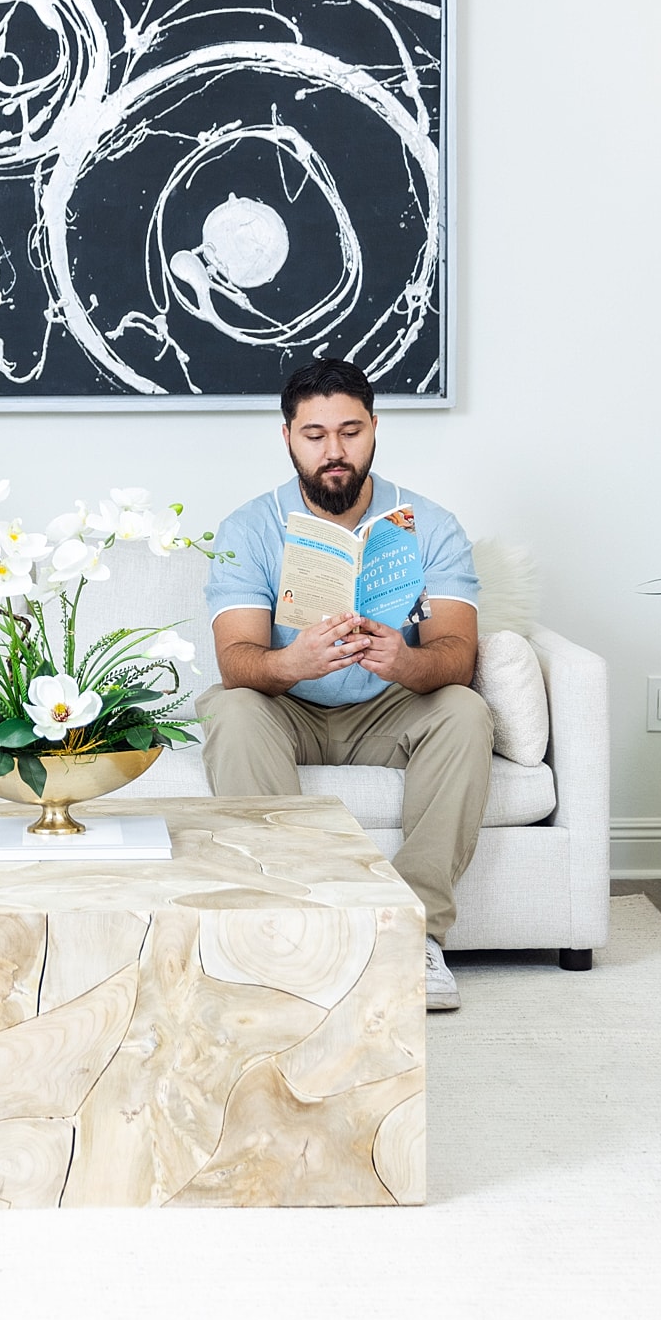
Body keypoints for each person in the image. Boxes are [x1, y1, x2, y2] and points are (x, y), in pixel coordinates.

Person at [199, 357, 494, 1011]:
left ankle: (412, 936)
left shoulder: (431, 525)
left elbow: (458, 655)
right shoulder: (249, 529)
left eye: (350, 431)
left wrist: (405, 661)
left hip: (388, 709)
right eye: (315, 435)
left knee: (466, 711)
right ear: (287, 438)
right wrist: (291, 664)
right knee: (231, 708)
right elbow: (237, 661)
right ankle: (294, 928)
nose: (334, 451)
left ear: (375, 429)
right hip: (289, 711)